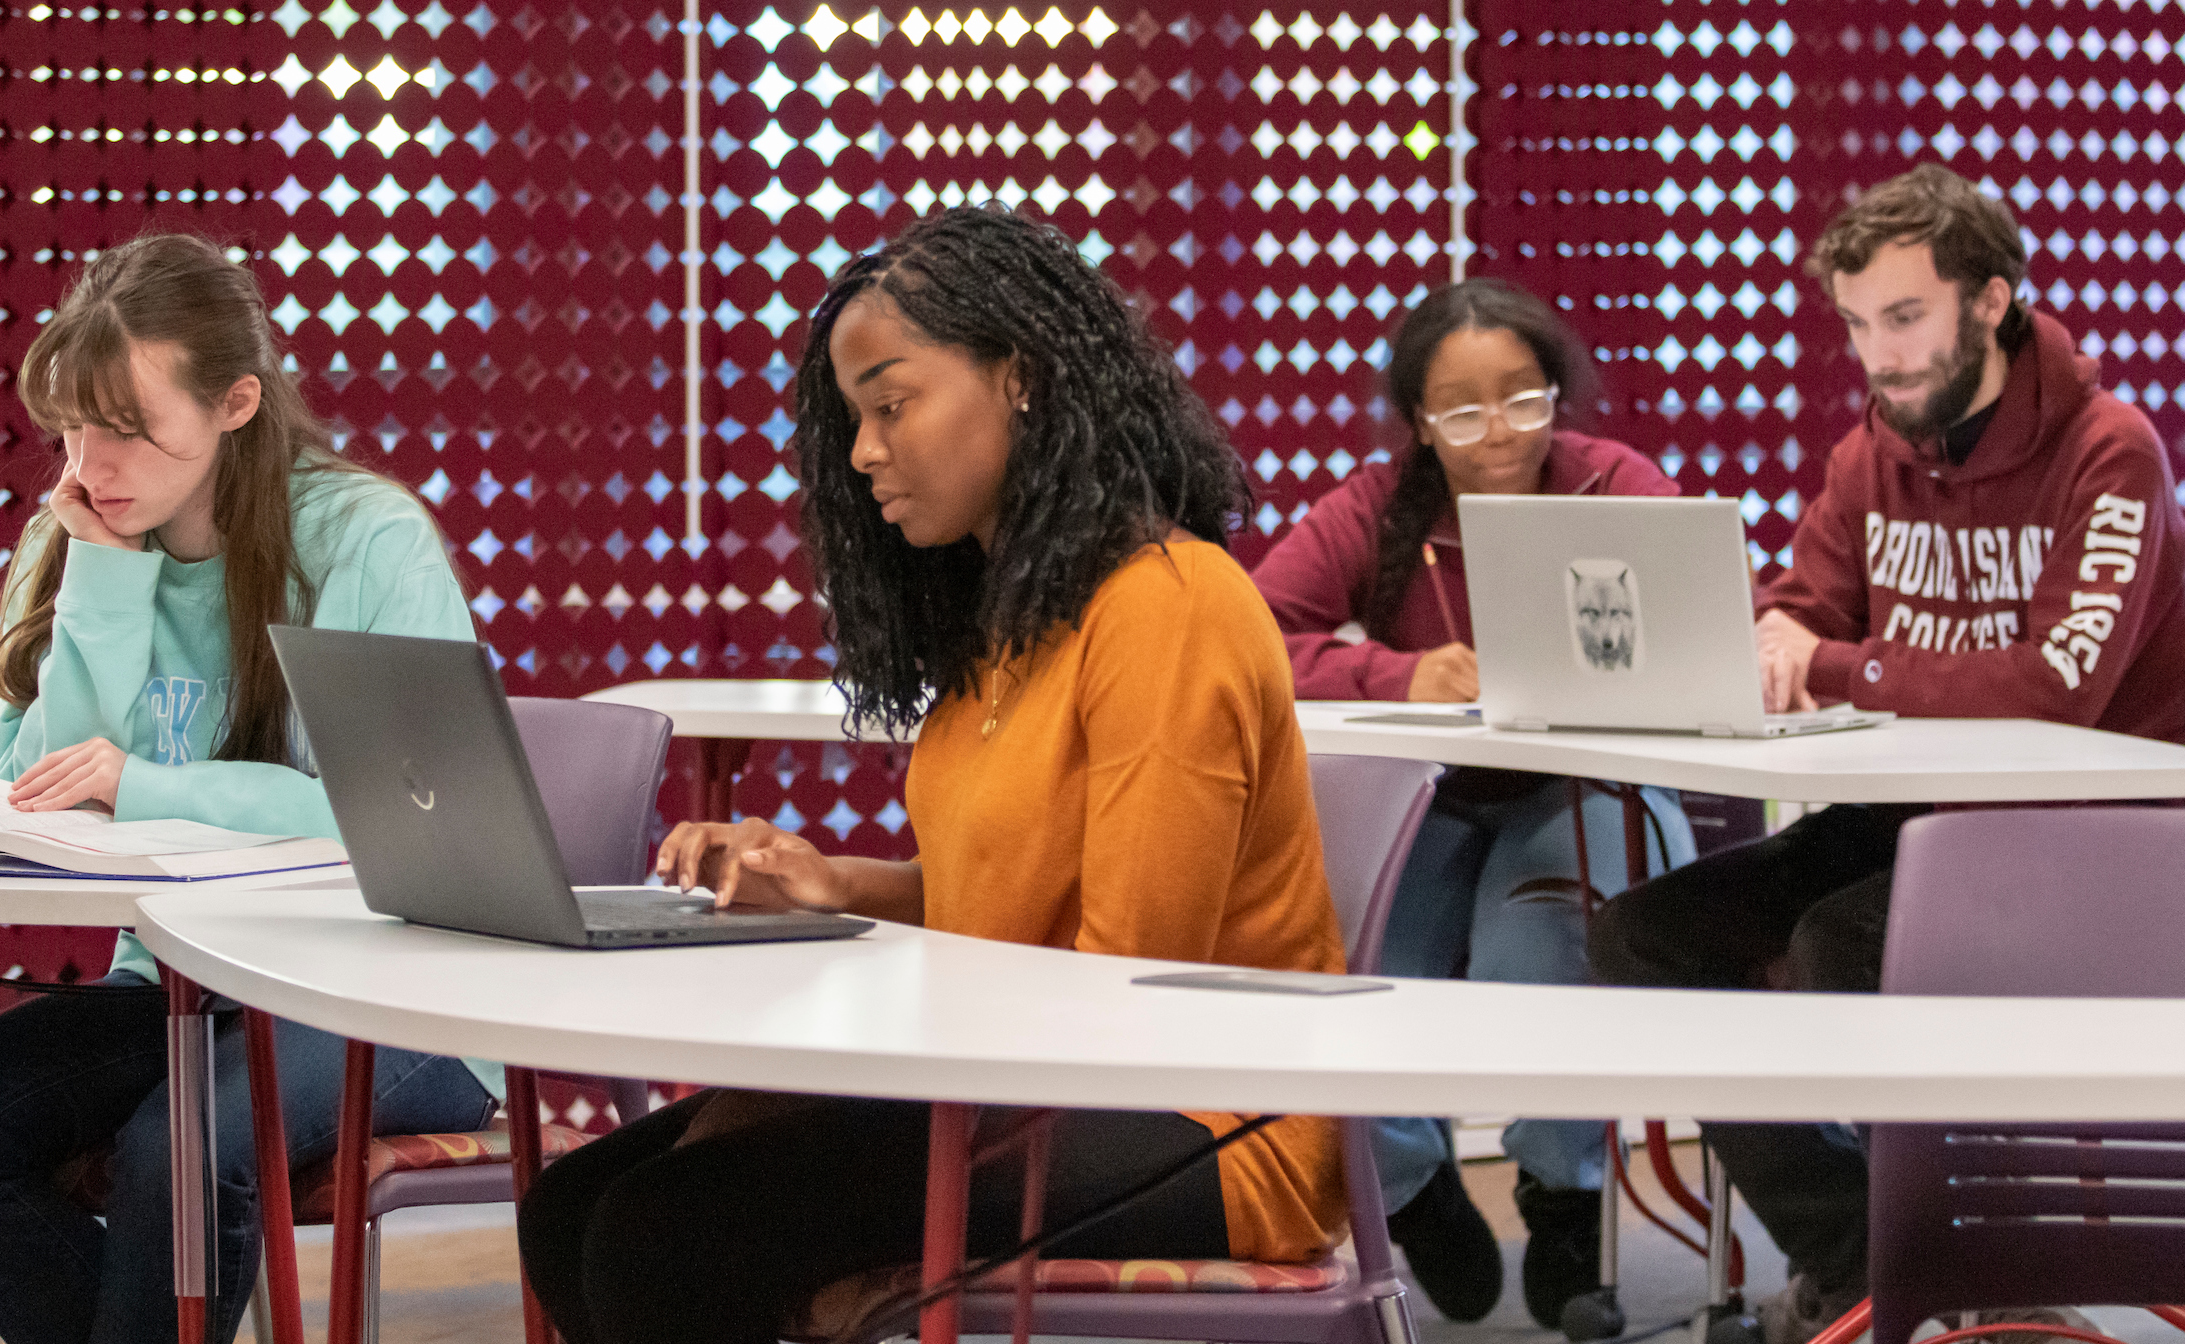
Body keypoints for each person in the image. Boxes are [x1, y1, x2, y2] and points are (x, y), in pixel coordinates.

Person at [515, 204, 1347, 1344]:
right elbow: (1013, 893)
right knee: (573, 1207)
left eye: (891, 405)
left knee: (666, 1233)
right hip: (1028, 1068)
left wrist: (839, 1065)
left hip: (1208, 1119)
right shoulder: (1006, 625)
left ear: (1020, 379)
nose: (863, 454)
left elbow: (1124, 989)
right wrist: (833, 887)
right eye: (856, 421)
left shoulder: (1171, 604)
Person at [1588, 163, 2185, 1344]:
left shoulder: (2112, 451)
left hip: (2102, 835)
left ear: (1994, 302)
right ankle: (1865, 1250)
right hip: (1927, 811)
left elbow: (2057, 684)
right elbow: (1807, 605)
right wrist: (1769, 631)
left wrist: (1835, 662)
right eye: (1859, 326)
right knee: (1642, 934)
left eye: (1905, 319)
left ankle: (1974, 1257)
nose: (1880, 356)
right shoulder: (1876, 450)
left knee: (1837, 945)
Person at [0, 234, 498, 1344]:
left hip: (393, 990)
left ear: (237, 404)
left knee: (180, 1148)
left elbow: (411, 815)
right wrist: (107, 576)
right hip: (173, 990)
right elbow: (42, 792)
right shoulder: (73, 533)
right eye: (74, 424)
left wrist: (152, 787)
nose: (90, 460)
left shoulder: (365, 540)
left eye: (129, 429)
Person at [1254, 278, 1697, 1329]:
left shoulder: (1616, 487)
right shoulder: (1370, 508)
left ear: (1556, 393)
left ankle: (1562, 1192)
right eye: (1461, 407)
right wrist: (1395, 675)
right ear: (1418, 421)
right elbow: (1255, 631)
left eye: (1522, 397)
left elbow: (1709, 618)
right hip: (1434, 800)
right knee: (1356, 973)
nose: (1497, 430)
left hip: (1581, 788)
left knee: (1532, 954)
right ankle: (1411, 1185)